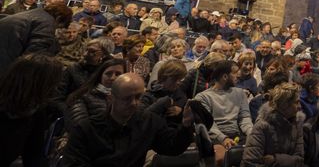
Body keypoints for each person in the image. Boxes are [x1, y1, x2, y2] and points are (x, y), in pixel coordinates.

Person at [60, 73, 195, 166]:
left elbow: (171, 147)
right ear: (111, 99)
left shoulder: (149, 121)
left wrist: (186, 125)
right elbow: (74, 163)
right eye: (127, 98)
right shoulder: (87, 128)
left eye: (138, 97)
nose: (134, 103)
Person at [0, 54, 64, 166]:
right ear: (37, 83)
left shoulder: (36, 111)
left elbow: (34, 153)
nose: (56, 88)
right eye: (53, 83)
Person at [195, 59, 253, 164]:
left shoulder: (240, 93)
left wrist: (252, 133)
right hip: (214, 139)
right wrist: (223, 138)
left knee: (257, 154)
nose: (239, 75)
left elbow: (244, 118)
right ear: (225, 77)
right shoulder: (203, 97)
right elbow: (208, 125)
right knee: (221, 158)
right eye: (235, 73)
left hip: (237, 136)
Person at [242, 82, 305, 167]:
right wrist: (288, 161)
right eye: (296, 102)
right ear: (285, 105)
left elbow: (299, 160)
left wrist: (275, 160)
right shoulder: (262, 126)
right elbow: (250, 163)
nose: (300, 106)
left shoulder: (297, 124)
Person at [0, 2, 72, 75]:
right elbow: (35, 53)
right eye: (59, 27)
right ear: (59, 18)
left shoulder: (34, 13)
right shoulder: (47, 22)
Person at [66, 58, 125, 126]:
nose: (112, 78)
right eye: (108, 74)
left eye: (118, 74)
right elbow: (79, 127)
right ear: (101, 76)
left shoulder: (127, 99)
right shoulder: (83, 96)